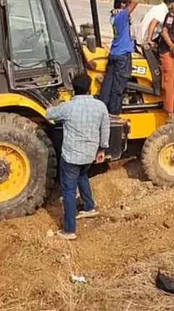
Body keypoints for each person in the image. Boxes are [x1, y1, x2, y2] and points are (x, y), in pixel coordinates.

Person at [46, 74, 110, 240]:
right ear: (90, 87)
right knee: (83, 175)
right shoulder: (100, 106)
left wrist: (52, 105)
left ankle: (69, 230)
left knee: (68, 191)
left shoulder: (68, 107)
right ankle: (89, 207)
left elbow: (49, 115)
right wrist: (102, 149)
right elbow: (105, 130)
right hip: (89, 155)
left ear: (73, 89)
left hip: (71, 156)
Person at [98, 0, 139, 115]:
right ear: (122, 5)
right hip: (123, 55)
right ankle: (114, 112)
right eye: (126, 3)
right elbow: (136, 1)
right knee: (119, 86)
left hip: (114, 52)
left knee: (108, 84)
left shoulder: (114, 16)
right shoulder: (121, 16)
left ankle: (102, 108)